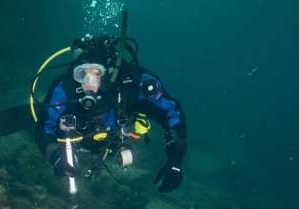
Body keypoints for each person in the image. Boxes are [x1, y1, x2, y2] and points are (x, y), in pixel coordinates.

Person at [34, 36, 187, 192]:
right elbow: (44, 127)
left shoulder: (133, 82)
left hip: (114, 141)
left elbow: (171, 112)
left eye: (95, 74)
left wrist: (175, 161)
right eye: (82, 74)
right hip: (74, 141)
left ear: (109, 73)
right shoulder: (65, 87)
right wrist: (56, 156)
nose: (88, 83)